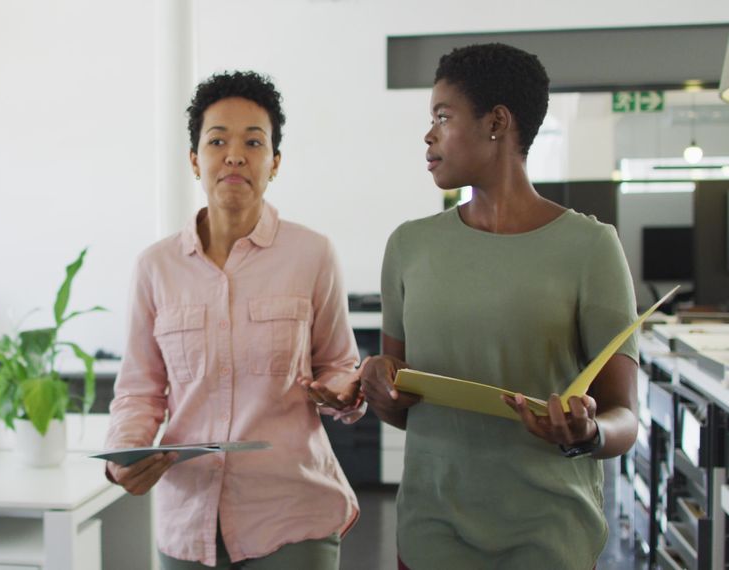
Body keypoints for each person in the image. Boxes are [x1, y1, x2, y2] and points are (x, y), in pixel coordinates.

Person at [359, 43, 640, 569]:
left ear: (497, 123)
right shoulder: (409, 246)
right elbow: (403, 410)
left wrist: (588, 432)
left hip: (549, 536)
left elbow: (625, 418)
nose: (428, 134)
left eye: (443, 116)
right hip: (431, 533)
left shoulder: (591, 248)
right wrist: (379, 384)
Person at [103, 70, 363, 570]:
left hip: (290, 514)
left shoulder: (312, 253)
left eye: (254, 142)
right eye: (217, 140)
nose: (235, 155)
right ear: (195, 160)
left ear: (276, 162)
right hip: (187, 518)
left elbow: (340, 365)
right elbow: (138, 389)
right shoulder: (155, 266)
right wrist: (124, 458)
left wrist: (342, 390)